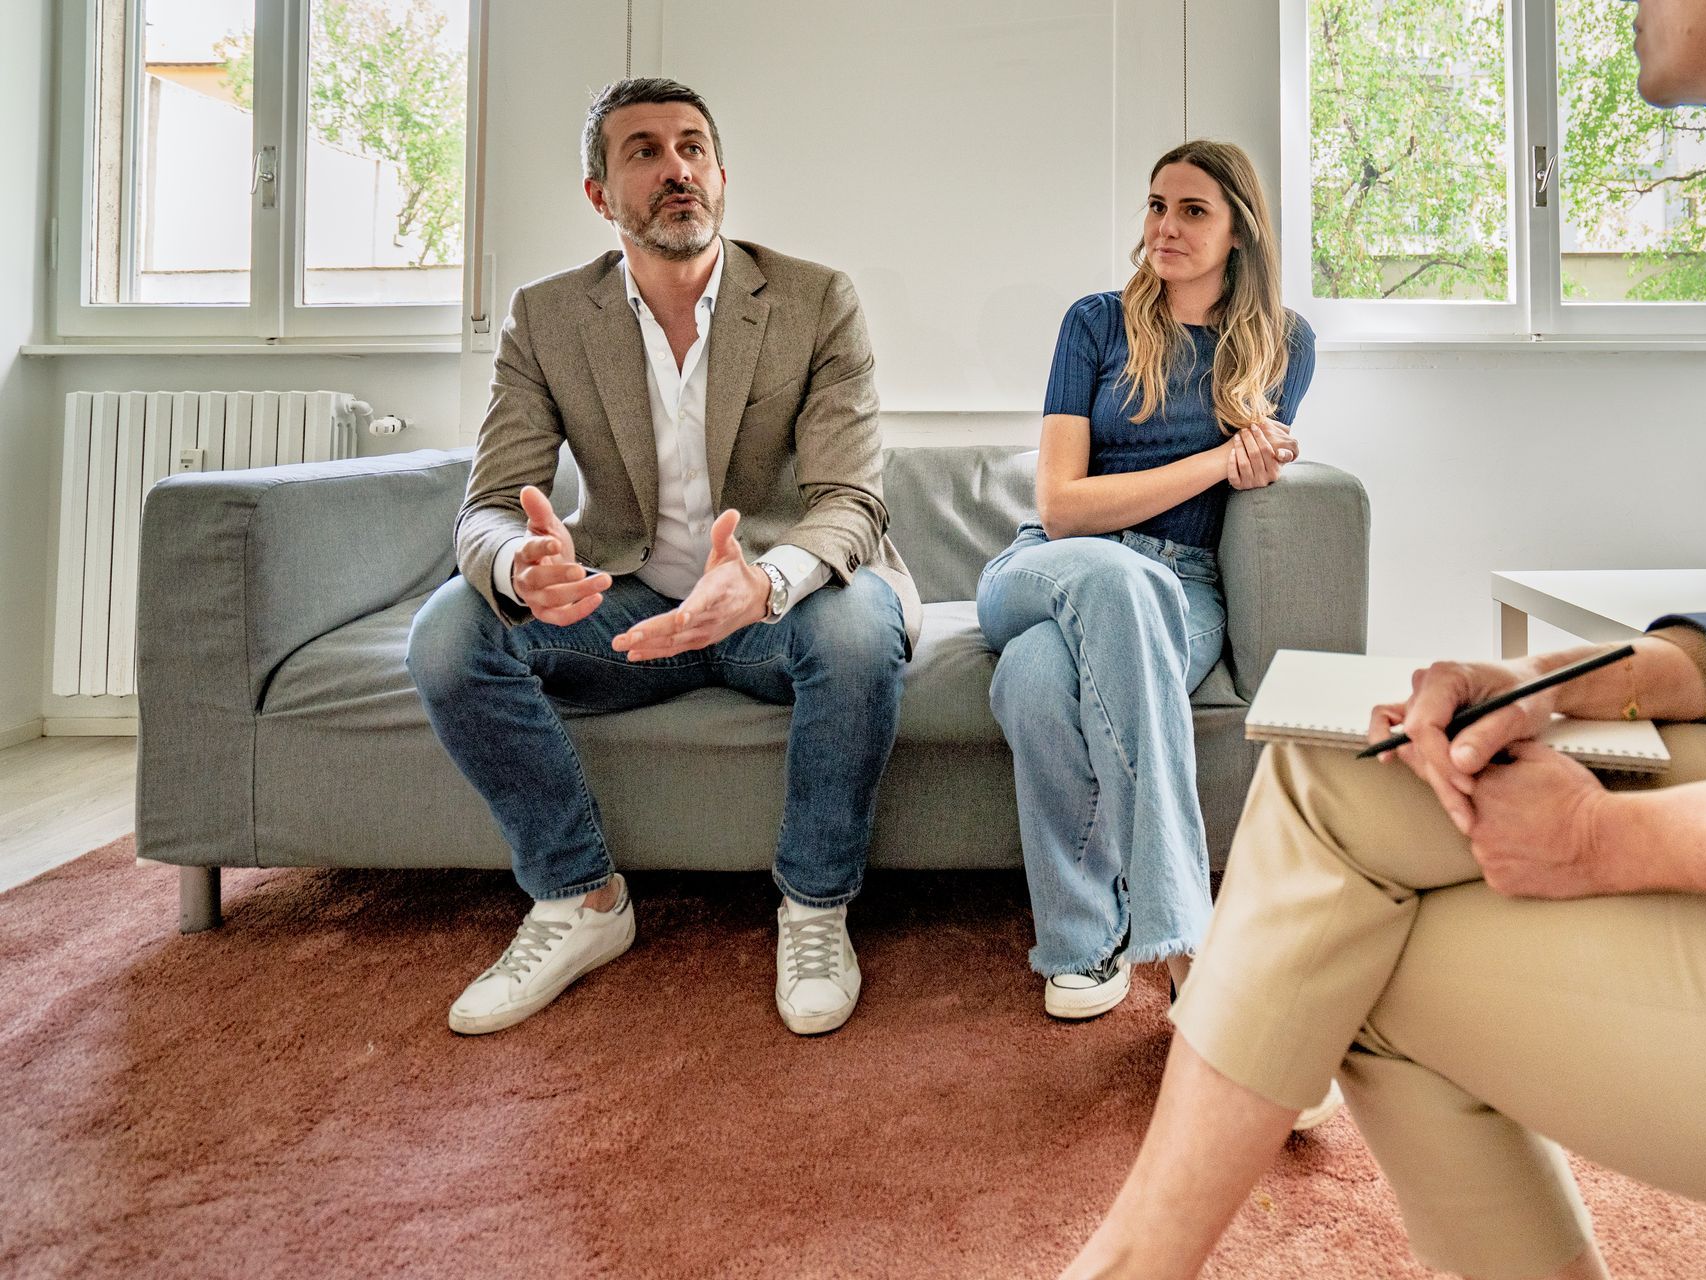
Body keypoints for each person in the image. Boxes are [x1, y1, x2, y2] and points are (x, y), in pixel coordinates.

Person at [1064, 1, 1706, 1275]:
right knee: (1336, 776)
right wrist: (1551, 678)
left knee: (1344, 968)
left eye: (1192, 207)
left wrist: (1602, 841)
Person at [406, 77, 918, 1039]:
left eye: (693, 147)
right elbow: (487, 508)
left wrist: (765, 581)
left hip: (779, 607)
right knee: (448, 634)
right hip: (629, 607)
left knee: (858, 630)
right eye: (643, 151)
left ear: (721, 175)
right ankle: (580, 898)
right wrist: (520, 565)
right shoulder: (547, 317)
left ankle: (815, 907)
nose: (676, 168)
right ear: (599, 192)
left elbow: (851, 501)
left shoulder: (814, 300)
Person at [976, 140, 1315, 1022]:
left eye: (1193, 210)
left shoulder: (1284, 344)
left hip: (1181, 582)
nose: (1165, 226)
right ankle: (1186, 934)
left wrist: (1253, 461)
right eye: (1158, 205)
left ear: (1240, 231)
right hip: (1050, 566)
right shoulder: (1095, 323)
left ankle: (1082, 941)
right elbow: (1062, 506)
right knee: (1116, 582)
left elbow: (1256, 475)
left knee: (1033, 678)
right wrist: (1216, 461)